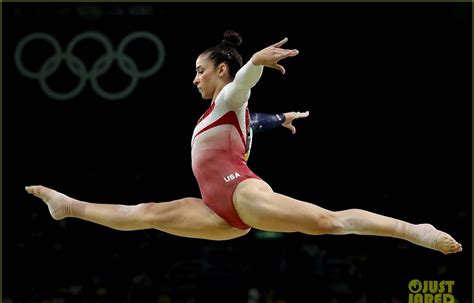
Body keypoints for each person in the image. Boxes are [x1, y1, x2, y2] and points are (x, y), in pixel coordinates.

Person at [26, 30, 462, 255]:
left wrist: (253, 61)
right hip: (220, 215)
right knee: (149, 214)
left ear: (220, 71)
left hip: (241, 191)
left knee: (330, 222)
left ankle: (414, 231)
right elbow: (251, 118)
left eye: (200, 69)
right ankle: (69, 206)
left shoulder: (227, 97)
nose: (195, 77)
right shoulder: (224, 116)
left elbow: (242, 93)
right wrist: (280, 119)